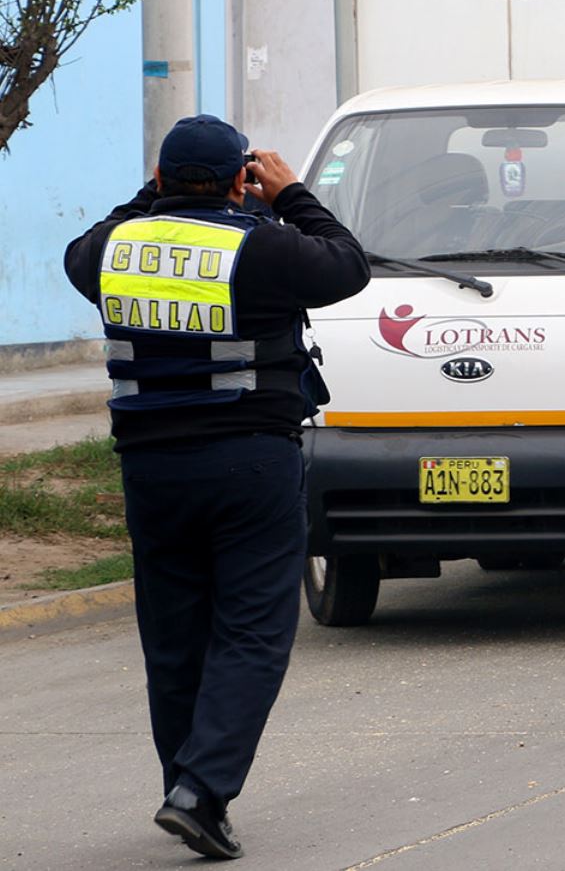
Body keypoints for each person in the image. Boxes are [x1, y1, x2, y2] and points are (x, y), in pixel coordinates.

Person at [63, 115, 370, 861]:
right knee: (254, 631)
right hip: (249, 460)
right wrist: (292, 190)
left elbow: (100, 235)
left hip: (151, 467)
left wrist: (155, 194)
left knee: (174, 638)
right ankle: (201, 792)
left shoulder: (106, 249)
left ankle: (187, 787)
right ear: (240, 180)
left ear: (161, 180)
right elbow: (349, 265)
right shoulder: (261, 245)